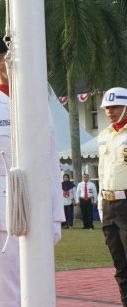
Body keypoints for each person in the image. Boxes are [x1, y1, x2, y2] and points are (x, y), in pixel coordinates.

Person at [0, 37, 65, 307]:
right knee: (8, 289)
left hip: (40, 206)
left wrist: (57, 215)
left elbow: (51, 163)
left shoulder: (39, 106)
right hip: (3, 211)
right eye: (13, 61)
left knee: (41, 284)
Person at [97, 86, 127, 305]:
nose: (110, 111)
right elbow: (101, 171)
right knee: (120, 265)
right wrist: (101, 205)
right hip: (108, 205)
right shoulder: (104, 136)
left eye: (115, 106)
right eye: (107, 107)